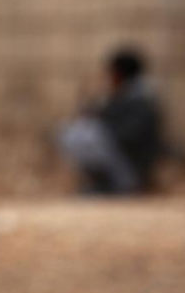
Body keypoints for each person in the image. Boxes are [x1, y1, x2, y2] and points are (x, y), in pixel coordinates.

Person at [59, 48, 165, 194]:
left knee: (85, 136)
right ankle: (105, 184)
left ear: (119, 73)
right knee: (77, 132)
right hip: (127, 158)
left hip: (133, 164)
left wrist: (101, 128)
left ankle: (123, 185)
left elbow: (130, 134)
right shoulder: (126, 95)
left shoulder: (141, 99)